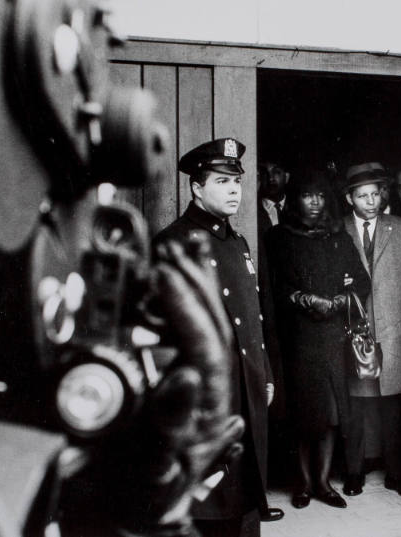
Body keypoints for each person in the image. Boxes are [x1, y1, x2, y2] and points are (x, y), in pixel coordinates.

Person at [154, 137, 280, 537]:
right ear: (196, 187)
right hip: (207, 400)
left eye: (237, 182)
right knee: (210, 509)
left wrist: (267, 374)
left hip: (246, 390)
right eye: (222, 182)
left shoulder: (237, 243)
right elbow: (161, 337)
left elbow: (252, 319)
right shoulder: (173, 243)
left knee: (245, 505)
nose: (233, 191)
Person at [265, 169, 370, 510]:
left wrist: (341, 300)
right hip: (298, 337)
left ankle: (323, 482)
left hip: (332, 336)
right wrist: (301, 298)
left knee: (329, 413)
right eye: (307, 195)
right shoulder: (279, 237)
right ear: (295, 199)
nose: (314, 202)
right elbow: (272, 287)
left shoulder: (337, 236)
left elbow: (361, 281)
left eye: (320, 196)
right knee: (302, 412)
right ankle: (302, 483)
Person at [341, 162, 401, 499]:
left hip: (395, 329)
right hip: (356, 330)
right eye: (363, 196)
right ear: (350, 199)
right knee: (357, 406)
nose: (371, 201)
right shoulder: (338, 228)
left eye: (375, 194)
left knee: (393, 407)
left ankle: (397, 474)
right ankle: (354, 472)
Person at [257, 161, 289, 238]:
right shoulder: (253, 210)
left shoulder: (297, 208)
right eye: (264, 173)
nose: (270, 178)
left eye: (276, 172)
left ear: (287, 177)